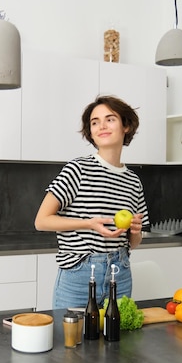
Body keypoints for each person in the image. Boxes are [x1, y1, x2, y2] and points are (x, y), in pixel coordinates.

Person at [34, 95, 149, 309]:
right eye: (95, 122)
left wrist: (135, 230)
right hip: (80, 274)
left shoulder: (133, 181)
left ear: (126, 126)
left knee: (116, 341)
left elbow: (133, 242)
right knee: (71, 340)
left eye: (110, 119)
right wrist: (88, 223)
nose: (101, 126)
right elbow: (41, 221)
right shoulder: (77, 169)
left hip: (120, 272)